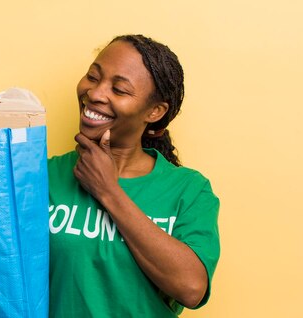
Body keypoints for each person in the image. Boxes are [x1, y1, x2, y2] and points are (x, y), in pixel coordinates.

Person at [48, 34, 220, 317]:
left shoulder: (188, 190)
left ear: (155, 111)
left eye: (119, 89)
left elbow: (191, 288)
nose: (95, 93)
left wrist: (108, 191)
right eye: (93, 76)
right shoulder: (43, 175)